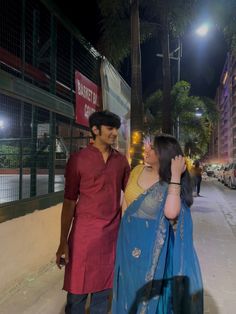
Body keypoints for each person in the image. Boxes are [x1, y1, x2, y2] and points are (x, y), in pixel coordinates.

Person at [112, 134, 203, 314]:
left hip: (154, 250)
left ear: (164, 155)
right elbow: (127, 205)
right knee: (130, 291)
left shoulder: (169, 183)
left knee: (149, 298)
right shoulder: (137, 170)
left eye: (153, 148)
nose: (147, 149)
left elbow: (171, 212)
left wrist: (176, 174)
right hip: (129, 244)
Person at [56, 110, 130, 314]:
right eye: (110, 128)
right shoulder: (78, 160)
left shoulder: (121, 162)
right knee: (76, 295)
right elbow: (69, 202)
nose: (115, 133)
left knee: (103, 295)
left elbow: (132, 194)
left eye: (116, 128)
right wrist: (63, 241)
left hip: (111, 236)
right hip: (83, 237)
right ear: (95, 130)